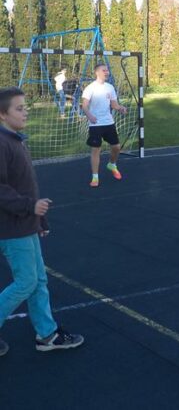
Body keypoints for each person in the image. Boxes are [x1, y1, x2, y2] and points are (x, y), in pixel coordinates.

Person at [0, 87, 84, 356]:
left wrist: (39, 219)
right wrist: (29, 207)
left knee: (38, 281)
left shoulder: (16, 140)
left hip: (26, 225)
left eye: (25, 107)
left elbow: (27, 188)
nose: (25, 112)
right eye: (19, 108)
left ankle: (46, 334)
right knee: (26, 282)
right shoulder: (2, 143)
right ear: (2, 114)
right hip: (12, 229)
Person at [82, 63, 127, 187]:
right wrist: (89, 116)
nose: (107, 72)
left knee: (116, 147)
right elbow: (84, 106)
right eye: (104, 70)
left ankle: (112, 164)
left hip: (108, 122)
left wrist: (121, 108)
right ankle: (95, 177)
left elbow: (114, 105)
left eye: (107, 70)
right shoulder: (90, 88)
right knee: (96, 150)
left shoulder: (110, 87)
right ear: (97, 72)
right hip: (95, 124)